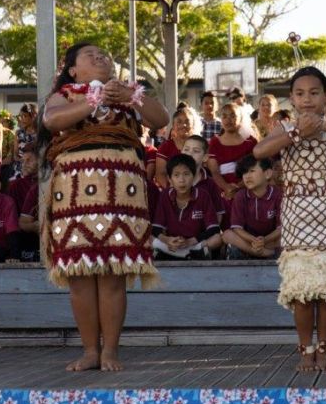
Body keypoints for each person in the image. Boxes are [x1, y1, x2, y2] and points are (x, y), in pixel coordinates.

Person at [41, 43, 168, 372]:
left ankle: (110, 350)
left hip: (121, 193)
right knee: (80, 274)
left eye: (104, 54)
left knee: (112, 273)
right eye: (90, 55)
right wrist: (93, 99)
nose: (100, 57)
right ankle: (89, 351)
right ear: (72, 70)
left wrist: (132, 97)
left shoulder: (129, 93)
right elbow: (52, 120)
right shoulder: (67, 94)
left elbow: (162, 118)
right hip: (75, 194)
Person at [253, 66, 326, 372]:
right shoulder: (285, 127)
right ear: (291, 98)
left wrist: (323, 124)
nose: (307, 99)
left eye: (314, 93)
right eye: (300, 94)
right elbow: (259, 149)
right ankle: (306, 349)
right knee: (302, 292)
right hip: (296, 217)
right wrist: (295, 133)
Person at [152, 154, 222, 260]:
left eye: (186, 174)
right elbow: (156, 228)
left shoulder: (203, 195)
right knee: (147, 238)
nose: (182, 180)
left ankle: (181, 253)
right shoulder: (165, 195)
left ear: (193, 177)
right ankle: (188, 254)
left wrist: (190, 241)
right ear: (170, 179)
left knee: (218, 239)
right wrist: (167, 240)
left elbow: (213, 229)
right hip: (171, 243)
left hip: (194, 243)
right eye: (176, 175)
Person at [222, 154, 281, 259]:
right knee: (227, 234)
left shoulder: (278, 195)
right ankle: (261, 252)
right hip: (248, 241)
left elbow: (281, 228)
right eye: (245, 172)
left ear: (267, 173)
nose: (247, 176)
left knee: (287, 237)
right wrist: (254, 241)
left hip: (270, 241)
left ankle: (259, 250)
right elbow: (237, 228)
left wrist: (264, 240)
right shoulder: (240, 196)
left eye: (252, 171)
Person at [208, 102, 258, 202]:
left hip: (247, 188)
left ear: (240, 119)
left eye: (233, 116)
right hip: (222, 191)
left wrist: (239, 186)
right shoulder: (215, 142)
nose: (228, 120)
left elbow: (255, 168)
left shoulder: (250, 141)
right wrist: (226, 187)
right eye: (224, 116)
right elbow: (214, 171)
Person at [181, 134, 225, 224]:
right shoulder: (173, 181)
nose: (189, 154)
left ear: (205, 158)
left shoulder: (210, 184)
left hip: (203, 234)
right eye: (186, 149)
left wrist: (208, 233)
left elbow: (218, 214)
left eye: (196, 151)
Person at [154, 105, 198, 188]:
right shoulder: (165, 147)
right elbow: (160, 174)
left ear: (193, 125)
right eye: (179, 122)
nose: (183, 125)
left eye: (187, 122)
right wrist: (174, 191)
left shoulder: (199, 146)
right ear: (173, 126)